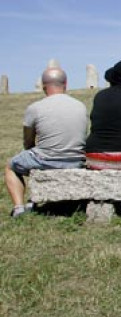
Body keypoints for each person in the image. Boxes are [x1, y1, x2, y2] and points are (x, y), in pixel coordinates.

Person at [5, 67, 88, 217]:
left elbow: (28, 141)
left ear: (44, 86)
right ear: (66, 84)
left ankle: (18, 208)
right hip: (77, 160)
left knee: (11, 166)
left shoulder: (35, 108)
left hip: (47, 159)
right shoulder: (80, 106)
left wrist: (32, 148)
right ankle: (34, 199)